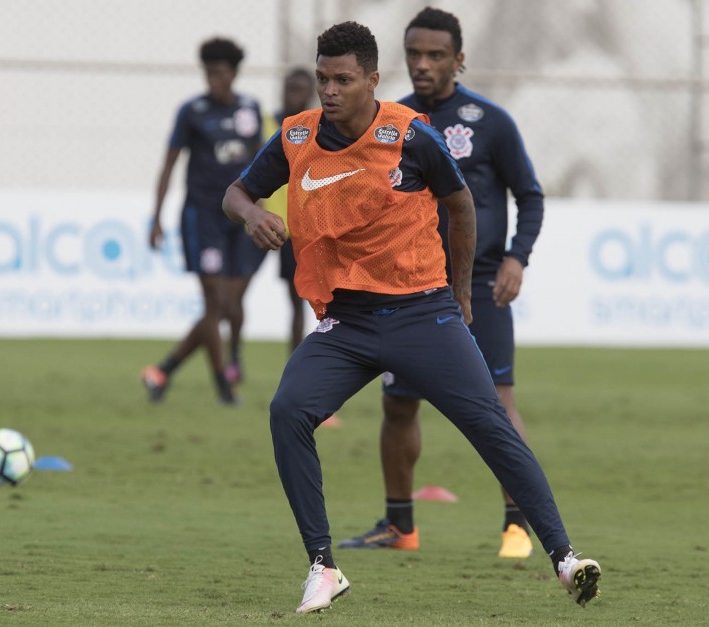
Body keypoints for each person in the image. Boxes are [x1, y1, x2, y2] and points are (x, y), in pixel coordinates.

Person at [222, 21, 601, 614]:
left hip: (422, 313)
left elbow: (461, 205)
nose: (329, 90)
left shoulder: (411, 136)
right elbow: (236, 192)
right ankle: (322, 567)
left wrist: (458, 294)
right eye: (322, 78)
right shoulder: (296, 135)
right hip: (346, 323)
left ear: (372, 80)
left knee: (491, 423)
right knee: (288, 410)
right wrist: (250, 215)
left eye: (342, 80)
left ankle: (564, 558)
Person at [338, 7, 544, 559]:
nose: (422, 65)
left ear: (459, 58)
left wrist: (516, 259)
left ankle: (517, 526)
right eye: (413, 54)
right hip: (408, 285)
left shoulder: (491, 121)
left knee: (497, 404)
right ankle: (399, 526)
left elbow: (529, 194)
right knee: (399, 406)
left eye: (435, 55)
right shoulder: (389, 120)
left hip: (480, 284)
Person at [141, 37, 266, 405]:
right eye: (209, 73)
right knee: (214, 303)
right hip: (203, 216)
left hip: (239, 215)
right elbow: (169, 164)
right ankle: (223, 387)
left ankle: (164, 370)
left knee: (229, 305)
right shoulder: (192, 111)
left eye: (221, 73)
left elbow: (262, 164)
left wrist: (259, 211)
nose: (214, 80)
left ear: (234, 74)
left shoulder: (250, 109)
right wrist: (157, 218)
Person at [262, 68, 317, 352]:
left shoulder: (318, 131)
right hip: (259, 225)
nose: (293, 93)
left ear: (310, 93)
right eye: (289, 87)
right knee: (229, 297)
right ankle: (233, 362)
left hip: (295, 230)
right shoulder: (266, 124)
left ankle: (294, 365)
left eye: (300, 89)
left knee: (297, 301)